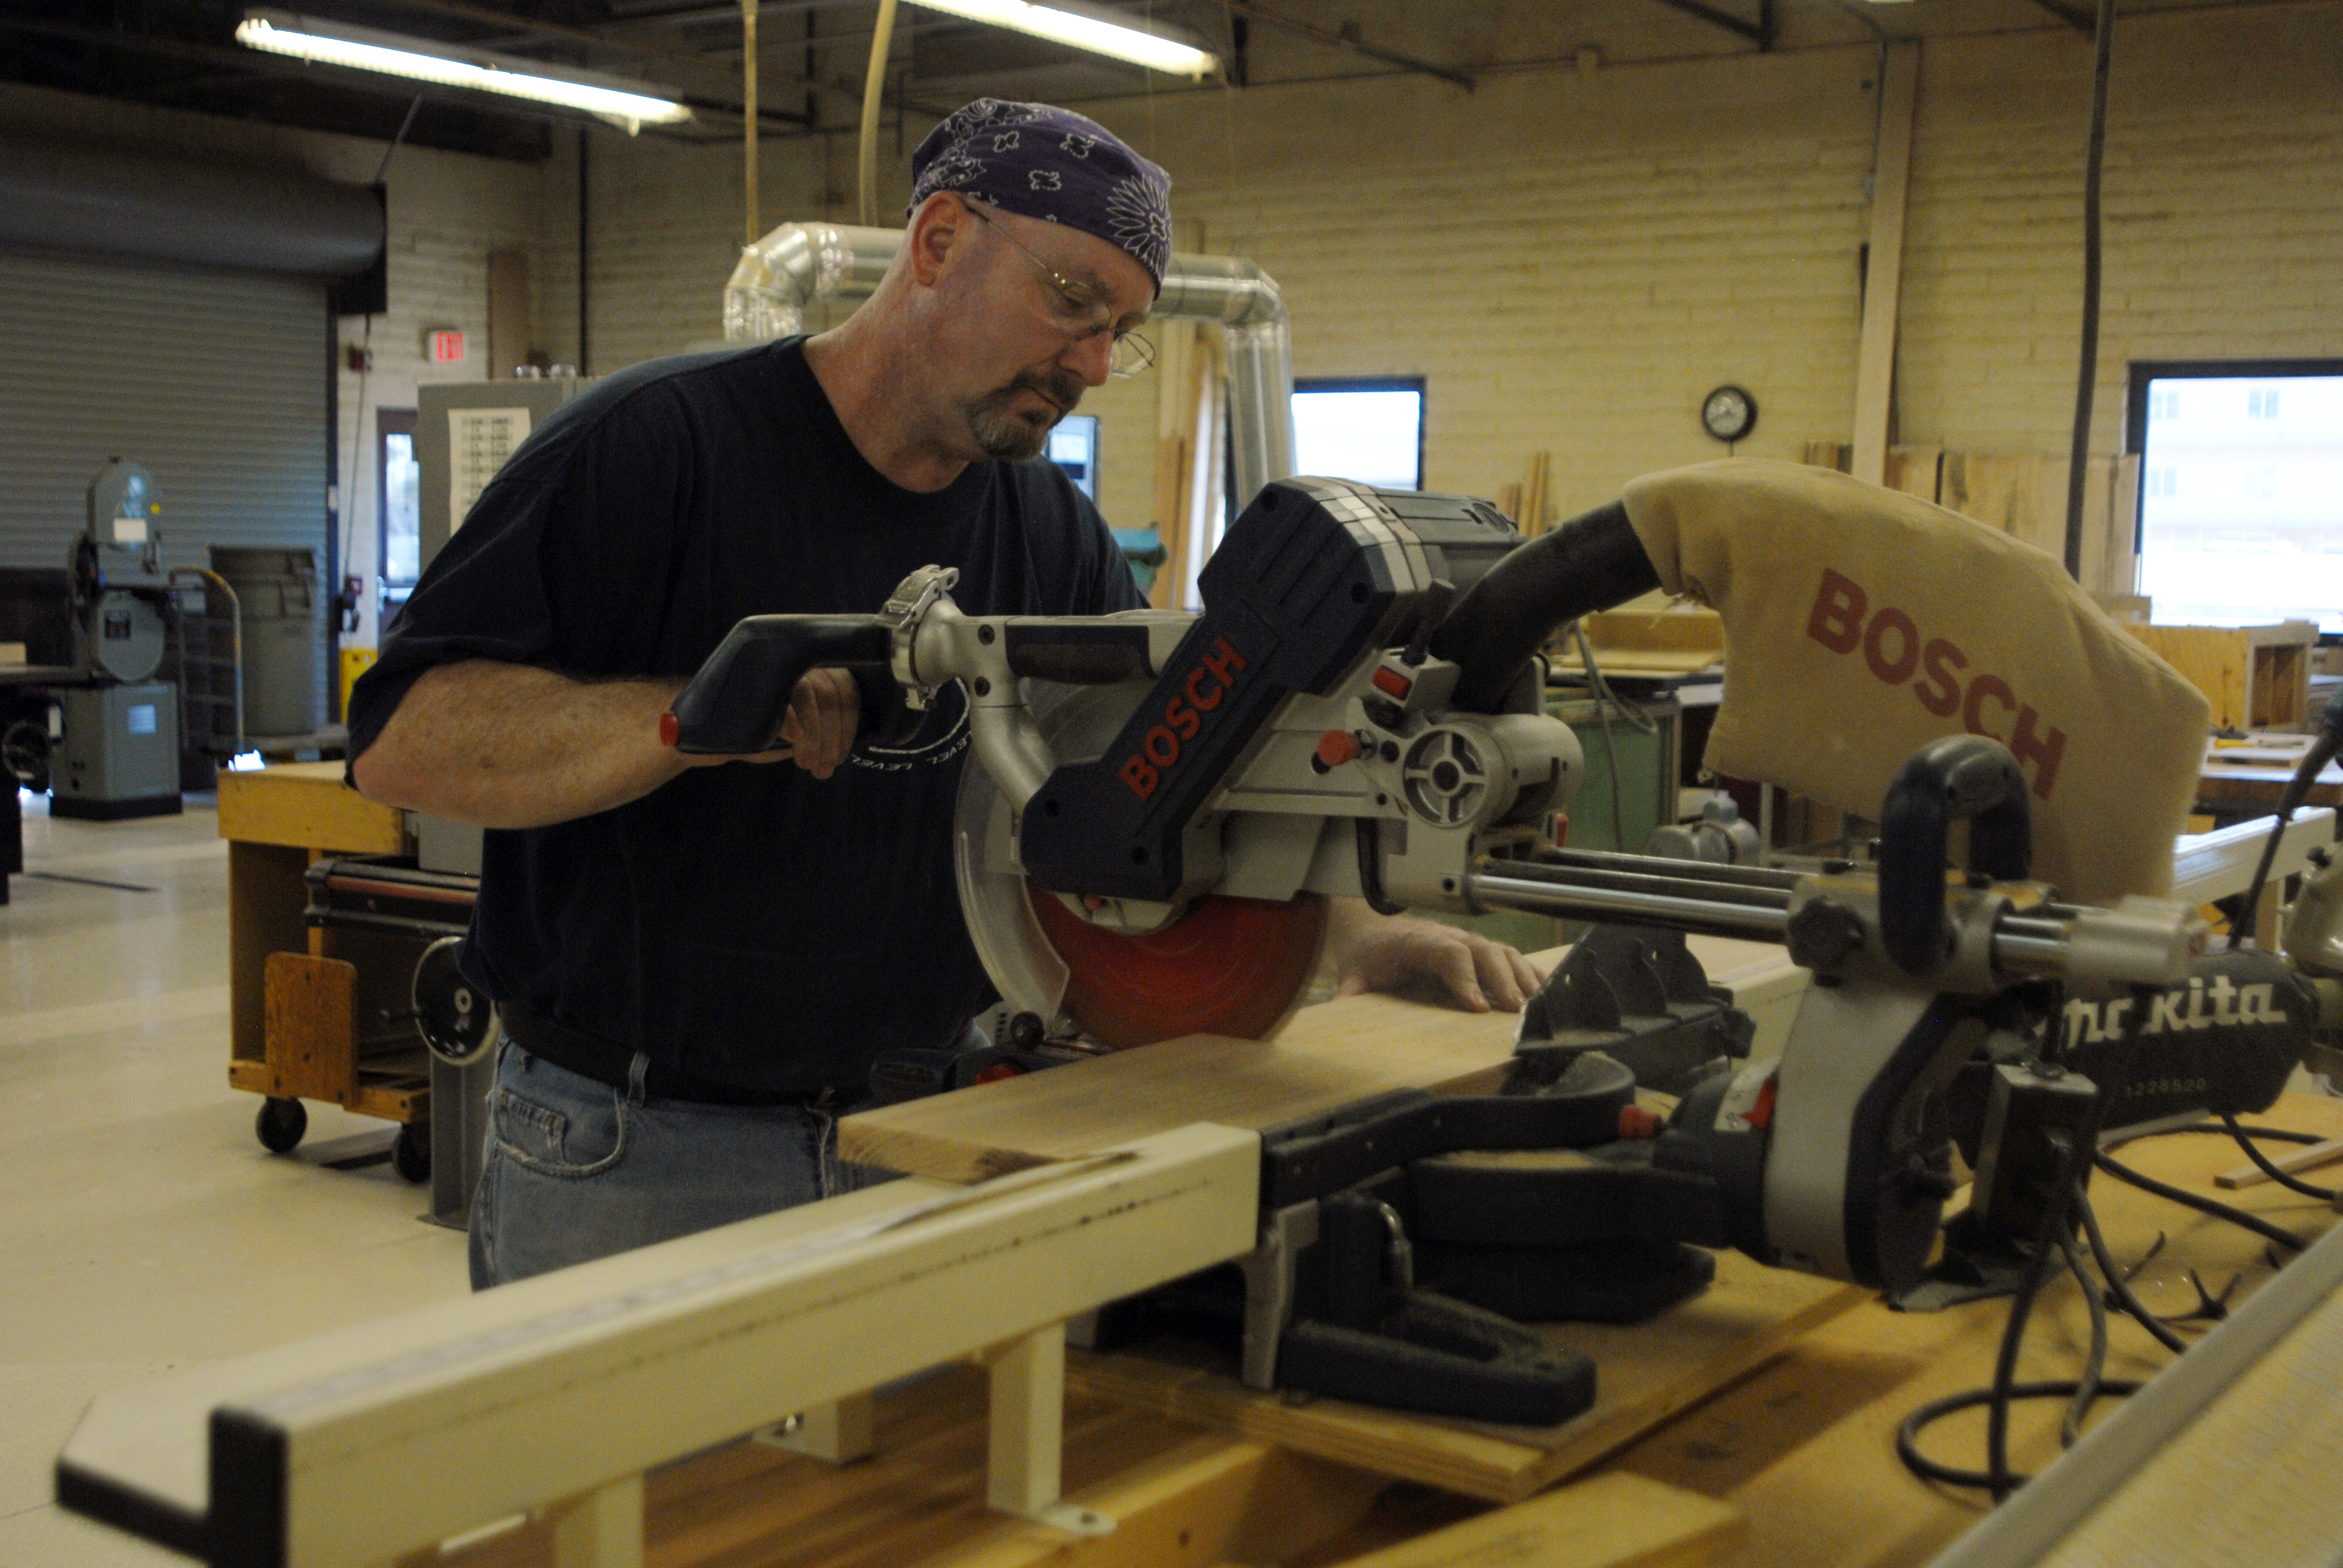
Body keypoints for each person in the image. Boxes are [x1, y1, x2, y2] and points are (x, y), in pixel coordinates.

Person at [349, 99, 1539, 1290]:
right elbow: (404, 743)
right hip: (638, 1154)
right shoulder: (655, 451)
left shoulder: (1053, 534)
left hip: (938, 1134)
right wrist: (689, 721)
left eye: (1118, 331)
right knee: (624, 1484)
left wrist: (1356, 935)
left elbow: (1147, 810)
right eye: (1071, 301)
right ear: (937, 243)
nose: (1088, 362)